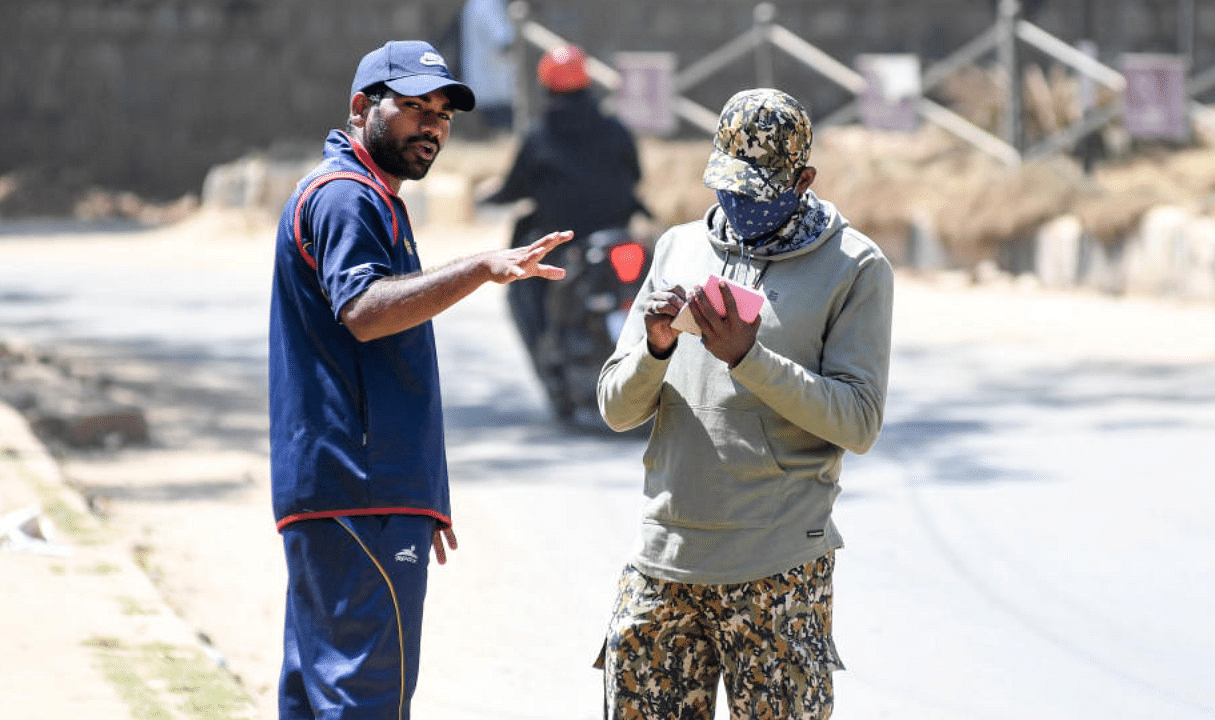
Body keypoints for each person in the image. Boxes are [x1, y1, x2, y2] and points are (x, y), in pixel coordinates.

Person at [267, 39, 571, 719]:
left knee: (322, 694)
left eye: (443, 113)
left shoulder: (363, 195)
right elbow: (367, 314)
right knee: (365, 698)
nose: (430, 125)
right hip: (360, 489)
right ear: (360, 108)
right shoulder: (347, 197)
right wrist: (481, 268)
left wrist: (417, 490)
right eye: (411, 107)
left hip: (360, 492)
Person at [595, 88, 894, 719]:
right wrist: (653, 348)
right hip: (665, 563)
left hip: (777, 570)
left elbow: (859, 422)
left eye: (757, 190)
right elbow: (617, 410)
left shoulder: (855, 268)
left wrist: (747, 358)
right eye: (726, 186)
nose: (738, 204)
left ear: (803, 179)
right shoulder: (678, 248)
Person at [482, 44, 648, 408]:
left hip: (565, 242)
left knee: (522, 291)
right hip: (620, 235)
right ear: (587, 81)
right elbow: (636, 174)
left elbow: (515, 186)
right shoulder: (615, 127)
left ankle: (550, 362)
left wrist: (488, 197)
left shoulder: (540, 134)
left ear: (547, 85)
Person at [458, 0, 516, 132]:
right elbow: (504, 42)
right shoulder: (486, 4)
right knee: (503, 135)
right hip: (495, 88)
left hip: (492, 87)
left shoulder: (480, 4)